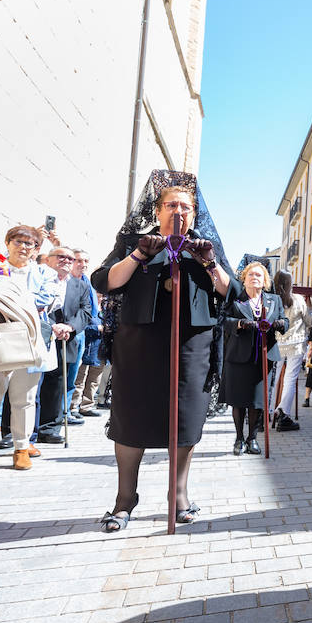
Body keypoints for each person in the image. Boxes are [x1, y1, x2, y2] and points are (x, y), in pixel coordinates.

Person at [90, 170, 232, 532]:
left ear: (195, 214)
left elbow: (233, 296)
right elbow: (105, 281)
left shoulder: (203, 247)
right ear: (157, 210)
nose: (178, 211)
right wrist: (139, 254)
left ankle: (178, 495)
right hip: (139, 347)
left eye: (185, 206)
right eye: (171, 204)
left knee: (185, 421)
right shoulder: (133, 243)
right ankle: (125, 500)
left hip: (191, 350)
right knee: (131, 420)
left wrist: (211, 263)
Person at [0, 225, 58, 470]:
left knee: (24, 398)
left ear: (36, 249)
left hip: (29, 339)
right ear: (8, 242)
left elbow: (46, 300)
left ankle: (21, 447)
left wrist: (4, 301)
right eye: (18, 241)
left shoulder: (44, 272)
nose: (23, 247)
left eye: (30, 244)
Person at [220, 260, 286, 455]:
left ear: (265, 280)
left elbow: (285, 319)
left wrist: (281, 323)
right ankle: (239, 438)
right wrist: (240, 324)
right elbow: (223, 320)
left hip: (263, 358)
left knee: (258, 401)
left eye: (259, 275)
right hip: (238, 357)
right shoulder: (235, 299)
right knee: (239, 400)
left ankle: (253, 439)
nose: (254, 278)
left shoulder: (274, 300)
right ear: (244, 279)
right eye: (251, 275)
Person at [34, 246, 91, 443]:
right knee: (31, 386)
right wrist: (52, 327)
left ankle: (49, 429)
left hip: (66, 340)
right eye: (61, 257)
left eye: (69, 258)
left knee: (57, 385)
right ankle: (19, 432)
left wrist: (68, 327)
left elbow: (86, 312)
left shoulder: (80, 285)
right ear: (48, 260)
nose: (66, 260)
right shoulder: (37, 278)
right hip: (38, 338)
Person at [270, 271, 312, 431]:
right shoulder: (298, 299)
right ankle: (283, 412)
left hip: (278, 342)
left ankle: (266, 412)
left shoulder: (272, 300)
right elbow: (310, 321)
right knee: (290, 378)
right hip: (296, 343)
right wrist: (309, 307)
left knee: (273, 378)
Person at [70, 250, 105, 418]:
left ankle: (87, 405)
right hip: (83, 339)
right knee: (79, 377)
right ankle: (73, 407)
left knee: (94, 378)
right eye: (79, 260)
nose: (83, 264)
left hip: (98, 346)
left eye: (85, 261)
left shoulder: (88, 286)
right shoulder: (76, 283)